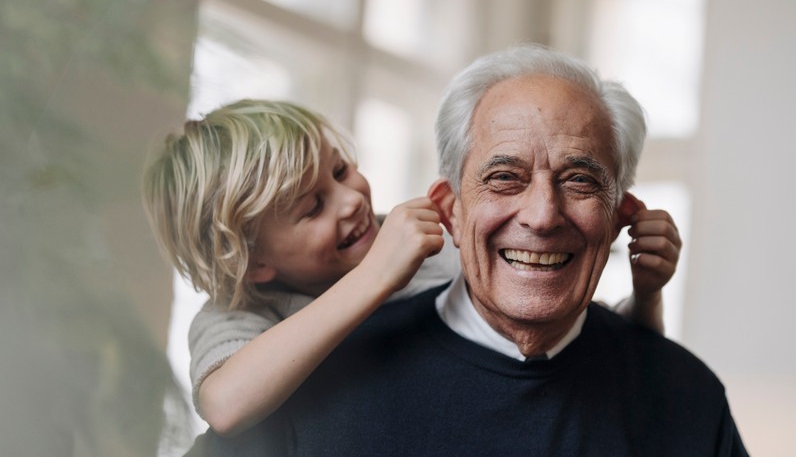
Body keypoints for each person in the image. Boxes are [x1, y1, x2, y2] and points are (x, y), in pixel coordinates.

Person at [143, 98, 681, 444]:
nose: (351, 200)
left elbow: (590, 349)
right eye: (311, 208)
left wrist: (646, 294)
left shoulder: (427, 239)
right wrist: (376, 278)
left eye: (340, 171)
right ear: (255, 261)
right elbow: (226, 405)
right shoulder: (239, 312)